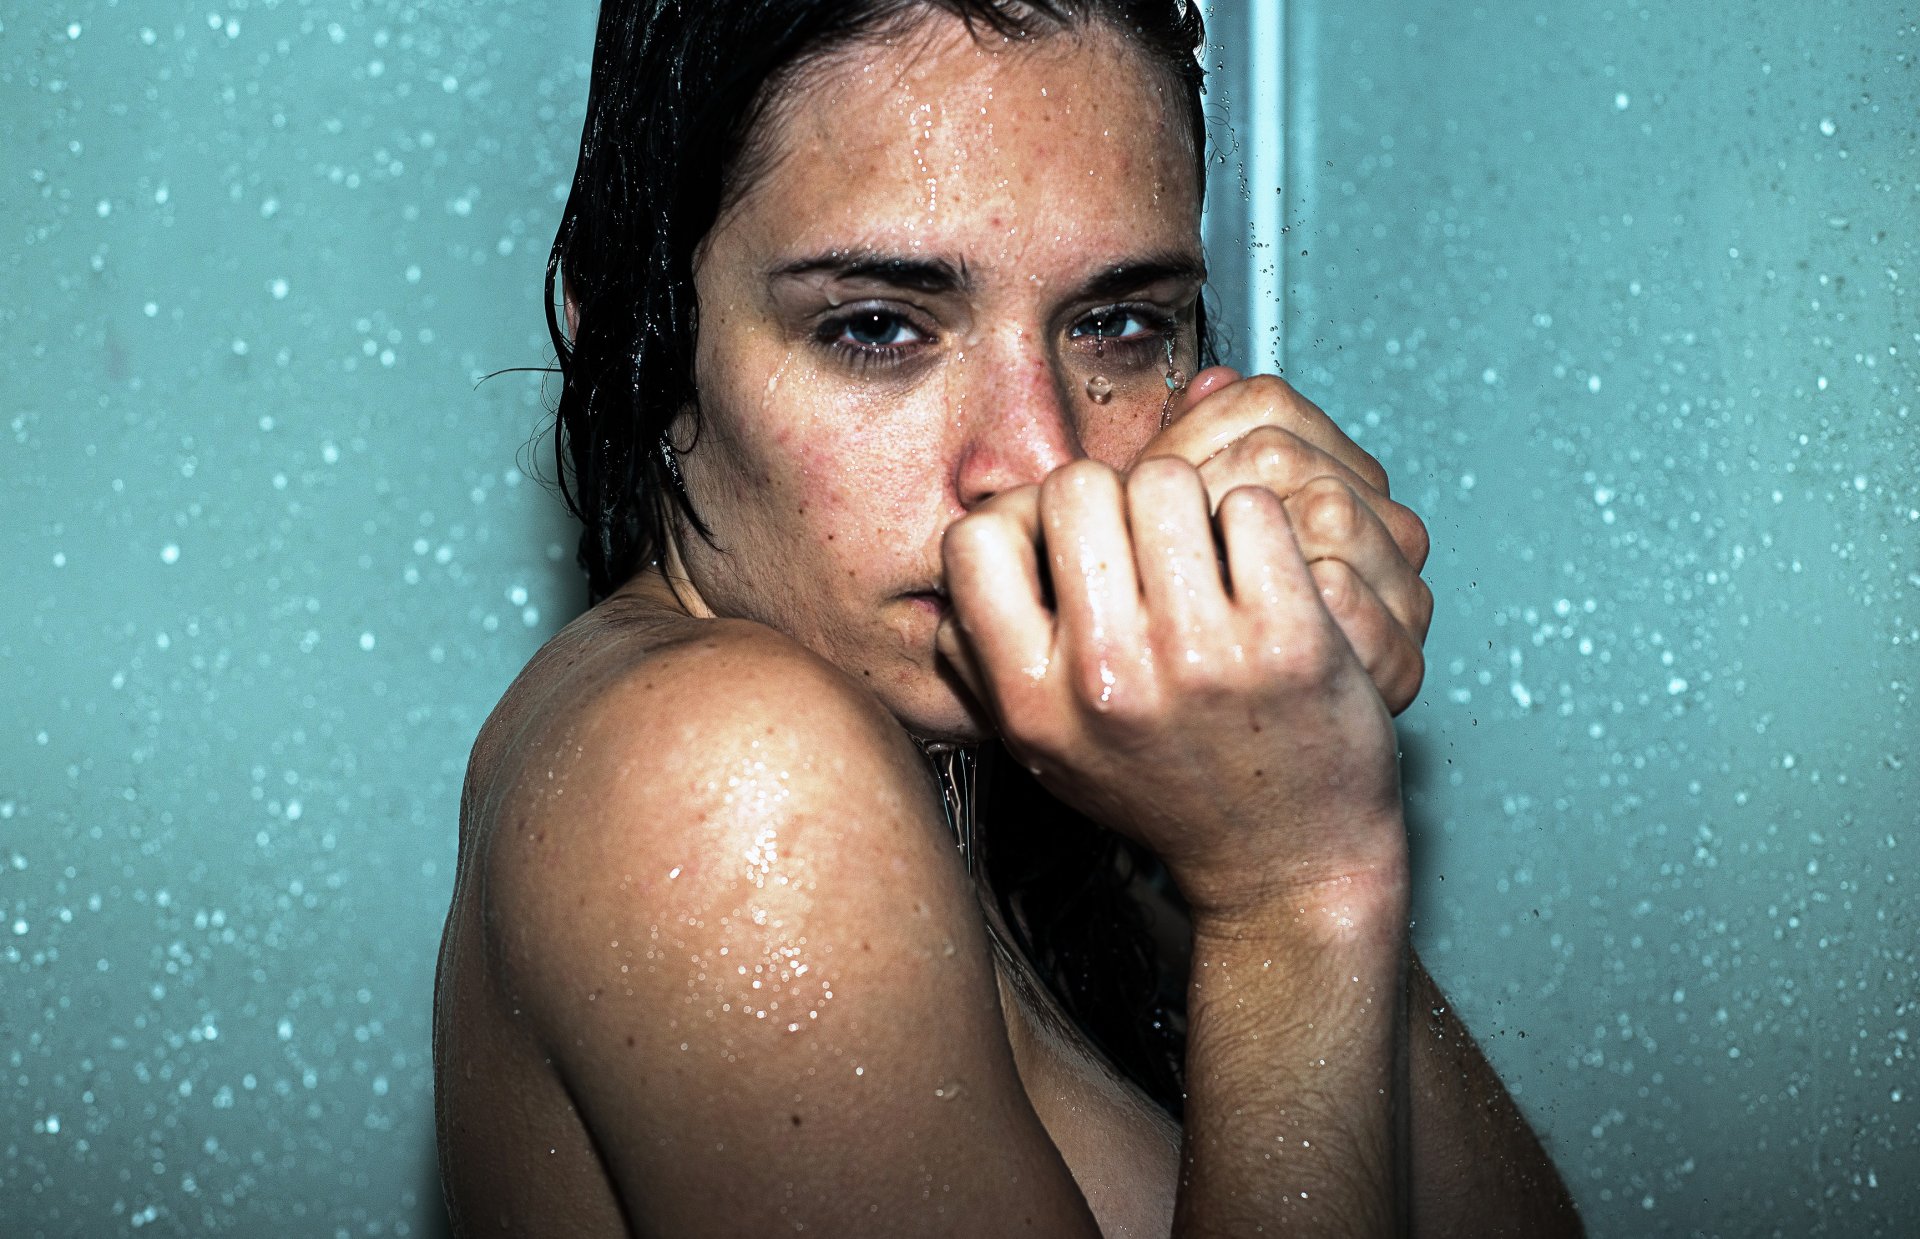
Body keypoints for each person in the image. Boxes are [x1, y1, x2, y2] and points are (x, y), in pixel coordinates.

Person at [433, 1, 1583, 1234]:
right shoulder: (729, 770)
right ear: (635, 341)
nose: (1040, 462)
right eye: (878, 327)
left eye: (1119, 323)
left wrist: (1287, 757)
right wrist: (1298, 893)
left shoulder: (1034, 780)